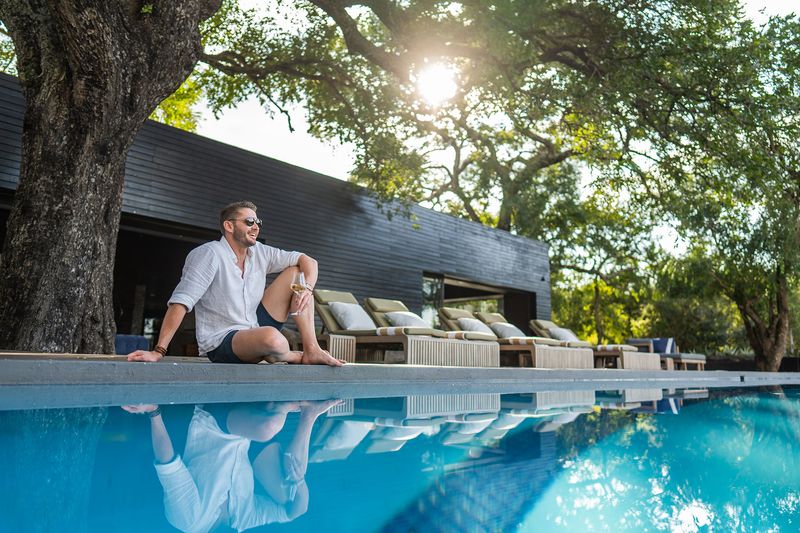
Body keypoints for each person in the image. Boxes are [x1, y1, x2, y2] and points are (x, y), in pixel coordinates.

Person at [127, 201, 344, 366]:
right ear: (229, 226)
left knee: (298, 273)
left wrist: (306, 288)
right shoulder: (209, 254)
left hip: (254, 325)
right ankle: (290, 356)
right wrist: (158, 351)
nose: (256, 227)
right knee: (275, 340)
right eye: (249, 222)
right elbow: (181, 303)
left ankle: (312, 349)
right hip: (223, 340)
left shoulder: (260, 252)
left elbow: (309, 261)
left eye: (257, 222)